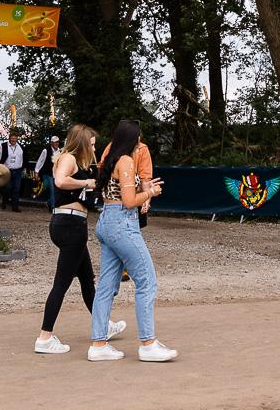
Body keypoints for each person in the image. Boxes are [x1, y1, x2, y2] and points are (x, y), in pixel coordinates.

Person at [88, 120, 177, 362]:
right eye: (138, 139)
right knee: (147, 281)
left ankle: (98, 343)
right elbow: (128, 201)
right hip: (122, 223)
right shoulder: (126, 161)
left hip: (107, 220)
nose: (140, 144)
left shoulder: (110, 158)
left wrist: (146, 189)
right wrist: (150, 193)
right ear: (132, 140)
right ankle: (148, 343)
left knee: (106, 286)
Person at [35, 124, 125, 353]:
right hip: (69, 225)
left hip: (73, 225)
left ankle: (104, 323)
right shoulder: (69, 158)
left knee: (87, 280)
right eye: (92, 144)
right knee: (61, 284)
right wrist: (85, 182)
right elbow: (61, 181)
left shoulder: (78, 162)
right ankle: (45, 337)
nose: (94, 149)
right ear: (83, 143)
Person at [0, 127, 27, 212]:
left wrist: (23, 168)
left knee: (16, 189)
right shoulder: (3, 146)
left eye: (15, 138)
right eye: (12, 138)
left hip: (18, 170)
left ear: (17, 138)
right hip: (7, 171)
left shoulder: (20, 147)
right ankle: (4, 202)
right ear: (9, 138)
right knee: (7, 188)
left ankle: (15, 207)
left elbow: (24, 158)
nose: (13, 139)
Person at [33, 133, 60, 209]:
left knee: (53, 190)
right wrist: (36, 171)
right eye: (55, 142)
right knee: (46, 188)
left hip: (54, 174)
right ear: (51, 143)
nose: (56, 144)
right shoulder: (46, 150)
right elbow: (40, 161)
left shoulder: (59, 151)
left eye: (57, 142)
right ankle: (50, 203)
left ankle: (52, 206)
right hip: (47, 173)